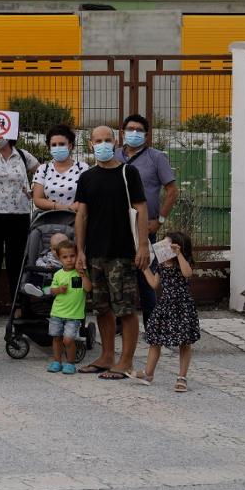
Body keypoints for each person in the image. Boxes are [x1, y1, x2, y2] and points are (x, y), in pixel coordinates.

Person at [74, 125, 149, 380]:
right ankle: (107, 356)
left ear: (115, 142)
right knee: (102, 308)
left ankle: (125, 361)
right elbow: (81, 215)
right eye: (98, 140)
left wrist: (143, 245)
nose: (103, 144)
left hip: (122, 252)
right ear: (91, 144)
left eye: (108, 140)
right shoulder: (87, 177)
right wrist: (80, 251)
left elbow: (141, 209)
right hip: (95, 253)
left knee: (125, 309)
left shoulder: (129, 172)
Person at [116, 114, 179, 325]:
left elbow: (172, 191)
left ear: (146, 134)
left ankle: (153, 324)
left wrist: (160, 220)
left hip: (144, 226)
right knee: (117, 275)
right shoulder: (114, 155)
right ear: (122, 132)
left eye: (139, 130)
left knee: (146, 275)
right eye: (130, 129)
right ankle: (119, 323)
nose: (134, 133)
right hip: (116, 226)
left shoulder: (156, 157)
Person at [0, 132, 39, 327]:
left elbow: (41, 171)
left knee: (16, 262)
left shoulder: (22, 155)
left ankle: (17, 305)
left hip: (18, 215)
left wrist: (33, 191)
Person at [131, 232, 200, 391]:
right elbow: (155, 284)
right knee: (155, 339)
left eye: (168, 244)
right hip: (165, 305)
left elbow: (187, 273)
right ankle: (148, 373)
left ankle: (182, 377)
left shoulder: (183, 262)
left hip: (183, 306)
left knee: (185, 342)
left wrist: (179, 254)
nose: (162, 246)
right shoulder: (161, 265)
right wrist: (145, 269)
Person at [42, 239, 91, 375]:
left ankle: (70, 363)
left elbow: (88, 288)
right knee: (56, 338)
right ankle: (57, 361)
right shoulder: (58, 274)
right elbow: (51, 291)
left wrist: (82, 275)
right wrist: (58, 290)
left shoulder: (80, 273)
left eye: (72, 256)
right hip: (57, 312)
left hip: (73, 315)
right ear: (59, 258)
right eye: (65, 257)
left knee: (68, 340)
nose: (69, 260)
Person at [31, 124, 89, 213]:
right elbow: (38, 199)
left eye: (62, 144)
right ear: (49, 148)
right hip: (49, 222)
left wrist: (73, 208)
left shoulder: (82, 168)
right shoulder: (43, 169)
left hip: (76, 219)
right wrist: (59, 207)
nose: (57, 147)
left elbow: (88, 196)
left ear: (70, 146)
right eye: (54, 145)